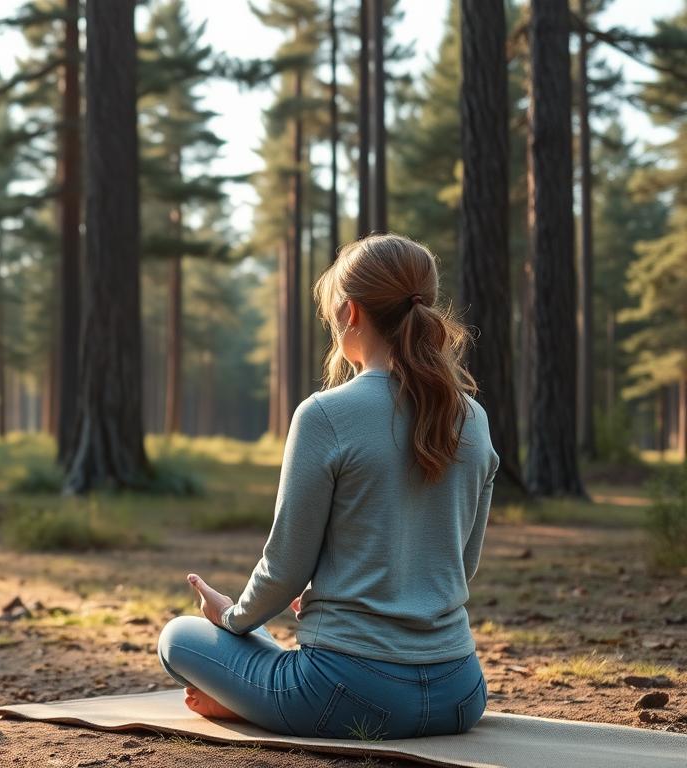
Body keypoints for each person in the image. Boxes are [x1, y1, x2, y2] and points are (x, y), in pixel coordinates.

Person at [158, 234, 499, 740]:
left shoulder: (324, 414)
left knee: (179, 637)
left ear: (352, 312)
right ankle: (258, 700)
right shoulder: (472, 417)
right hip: (459, 693)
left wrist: (231, 615)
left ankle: (252, 704)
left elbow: (285, 568)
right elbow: (458, 564)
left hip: (350, 694)